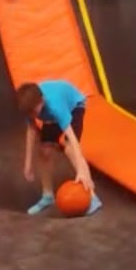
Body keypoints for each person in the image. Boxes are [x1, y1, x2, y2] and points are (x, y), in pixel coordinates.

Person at [16, 79, 100, 216]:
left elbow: (73, 140)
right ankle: (47, 196)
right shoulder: (30, 107)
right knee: (44, 151)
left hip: (74, 106)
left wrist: (80, 170)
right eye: (29, 113)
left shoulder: (55, 106)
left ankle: (92, 196)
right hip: (50, 115)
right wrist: (28, 163)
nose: (32, 116)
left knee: (69, 148)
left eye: (33, 112)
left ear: (42, 101)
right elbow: (31, 130)